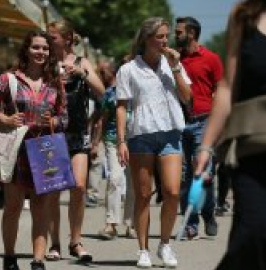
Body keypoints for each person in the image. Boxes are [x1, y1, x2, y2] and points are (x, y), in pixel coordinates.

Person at [194, 0, 266, 269]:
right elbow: (227, 88)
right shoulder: (245, 16)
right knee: (255, 234)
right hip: (255, 150)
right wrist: (206, 146)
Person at [0, 30, 67, 270]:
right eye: (36, 47)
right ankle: (9, 257)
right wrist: (5, 118)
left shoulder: (55, 82)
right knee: (13, 206)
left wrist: (54, 121)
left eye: (45, 48)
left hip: (44, 149)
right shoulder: (9, 78)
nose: (41, 52)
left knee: (41, 206)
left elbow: (64, 117)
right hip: (16, 149)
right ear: (26, 50)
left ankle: (38, 260)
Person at [116, 17, 192, 268]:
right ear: (147, 39)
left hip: (170, 133)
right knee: (143, 195)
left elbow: (187, 97)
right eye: (160, 36)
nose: (165, 41)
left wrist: (177, 68)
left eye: (166, 36)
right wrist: (121, 140)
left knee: (171, 191)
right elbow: (121, 106)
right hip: (141, 135)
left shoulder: (173, 64)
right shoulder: (128, 69)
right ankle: (143, 249)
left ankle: (165, 244)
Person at [45, 19, 105, 262]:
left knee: (79, 187)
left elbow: (102, 91)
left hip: (78, 133)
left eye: (53, 37)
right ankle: (55, 244)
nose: (49, 41)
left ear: (67, 39)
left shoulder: (81, 62)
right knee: (53, 192)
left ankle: (75, 241)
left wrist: (83, 74)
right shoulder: (46, 63)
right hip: (51, 134)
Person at [175, 16, 223, 239]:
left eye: (178, 32)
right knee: (184, 177)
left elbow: (222, 93)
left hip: (204, 121)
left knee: (202, 174)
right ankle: (191, 223)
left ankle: (208, 212)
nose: (175, 36)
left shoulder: (211, 59)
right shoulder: (172, 60)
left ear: (192, 34)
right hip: (178, 122)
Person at [95, 61, 136, 240]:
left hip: (136, 140)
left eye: (102, 72)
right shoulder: (109, 94)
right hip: (113, 141)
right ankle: (111, 223)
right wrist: (96, 143)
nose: (100, 75)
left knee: (134, 183)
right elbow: (102, 120)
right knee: (115, 179)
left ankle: (131, 223)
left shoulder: (136, 91)